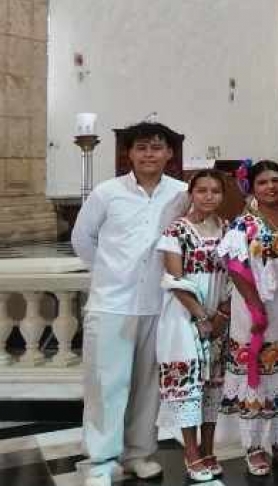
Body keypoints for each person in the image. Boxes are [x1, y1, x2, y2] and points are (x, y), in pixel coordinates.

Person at [71, 121, 188, 486]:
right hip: (112, 303)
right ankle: (102, 461)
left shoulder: (182, 194)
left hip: (158, 303)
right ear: (130, 153)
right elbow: (82, 240)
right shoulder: (107, 193)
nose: (149, 154)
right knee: (106, 385)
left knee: (147, 386)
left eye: (157, 147)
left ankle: (138, 453)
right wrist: (111, 272)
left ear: (169, 153)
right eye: (142, 148)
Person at [218, 160, 278, 476]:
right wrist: (254, 305)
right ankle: (254, 446)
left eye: (276, 180)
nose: (271, 186)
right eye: (263, 182)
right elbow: (234, 266)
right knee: (256, 376)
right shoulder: (244, 224)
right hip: (255, 307)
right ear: (252, 188)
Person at [156, 170, 231, 483]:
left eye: (215, 191)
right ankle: (190, 452)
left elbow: (233, 276)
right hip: (183, 316)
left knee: (213, 384)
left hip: (218, 317)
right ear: (192, 193)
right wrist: (201, 317)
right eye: (202, 190)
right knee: (189, 385)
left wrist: (220, 317)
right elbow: (174, 279)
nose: (208, 196)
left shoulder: (228, 229)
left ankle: (209, 447)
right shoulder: (177, 230)